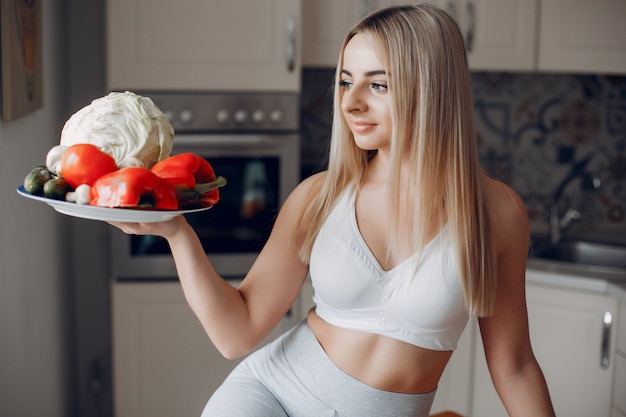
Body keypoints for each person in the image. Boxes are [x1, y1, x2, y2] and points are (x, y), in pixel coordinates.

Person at [111, 5, 555, 417]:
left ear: (432, 88)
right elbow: (237, 333)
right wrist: (176, 233)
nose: (350, 102)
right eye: (346, 81)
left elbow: (514, 367)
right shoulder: (319, 197)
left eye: (377, 84)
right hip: (269, 395)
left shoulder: (496, 214)